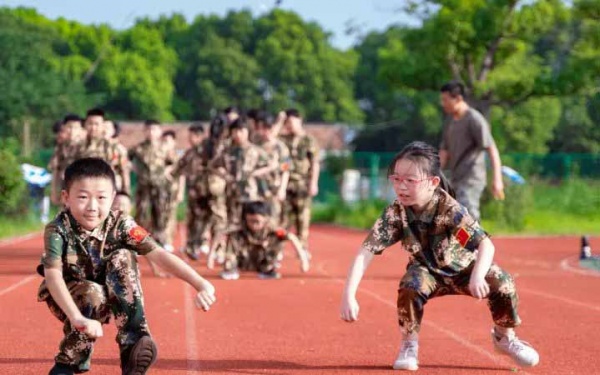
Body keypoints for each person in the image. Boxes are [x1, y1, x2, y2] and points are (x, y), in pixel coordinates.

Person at [340, 142, 539, 371]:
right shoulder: (395, 214)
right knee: (411, 284)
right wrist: (349, 295)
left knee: (502, 282)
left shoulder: (449, 209)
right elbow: (365, 252)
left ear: (433, 182)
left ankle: (505, 338)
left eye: (410, 180)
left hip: (463, 270)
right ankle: (409, 345)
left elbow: (486, 245)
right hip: (427, 272)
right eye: (396, 179)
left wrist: (477, 276)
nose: (401, 187)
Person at [37, 158, 216, 375]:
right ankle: (68, 361)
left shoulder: (121, 224)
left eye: (101, 198)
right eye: (83, 197)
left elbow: (158, 254)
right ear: (66, 197)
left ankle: (133, 345)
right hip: (69, 292)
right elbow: (54, 276)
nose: (93, 207)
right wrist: (77, 318)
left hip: (112, 289)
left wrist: (201, 283)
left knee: (123, 256)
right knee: (93, 295)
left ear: (113, 198)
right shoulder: (58, 229)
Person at [439, 81, 504, 221]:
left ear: (458, 98)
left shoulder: (474, 119)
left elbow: (492, 149)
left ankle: (480, 242)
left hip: (472, 177)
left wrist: (497, 179)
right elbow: (444, 152)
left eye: (445, 99)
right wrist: (435, 174)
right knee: (453, 216)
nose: (443, 103)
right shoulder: (450, 122)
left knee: (467, 212)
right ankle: (468, 242)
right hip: (456, 178)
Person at [214, 201, 310, 280]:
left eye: (257, 222)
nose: (253, 225)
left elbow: (291, 237)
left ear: (265, 219)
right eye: (250, 221)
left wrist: (303, 260)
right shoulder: (239, 227)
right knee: (233, 235)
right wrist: (211, 257)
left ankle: (268, 268)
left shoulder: (273, 229)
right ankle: (230, 268)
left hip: (262, 259)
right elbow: (220, 234)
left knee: (276, 238)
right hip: (243, 259)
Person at [212, 118, 273, 227]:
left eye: (241, 131)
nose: (238, 134)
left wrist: (255, 173)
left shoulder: (255, 151)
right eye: (235, 131)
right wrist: (224, 175)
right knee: (233, 225)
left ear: (247, 132)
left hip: (251, 195)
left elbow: (271, 165)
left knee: (251, 224)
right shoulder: (227, 151)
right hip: (232, 194)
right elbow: (213, 166)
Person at [128, 120, 176, 247]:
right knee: (141, 213)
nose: (151, 132)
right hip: (143, 186)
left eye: (154, 129)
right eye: (148, 129)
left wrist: (167, 170)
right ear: (144, 131)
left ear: (159, 131)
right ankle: (138, 242)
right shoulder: (138, 148)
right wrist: (134, 168)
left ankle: (161, 240)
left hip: (160, 186)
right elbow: (126, 159)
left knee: (160, 213)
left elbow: (174, 162)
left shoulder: (165, 147)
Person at [280, 109, 320, 251]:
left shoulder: (309, 140)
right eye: (287, 123)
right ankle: (277, 251)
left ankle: (303, 250)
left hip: (302, 185)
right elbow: (270, 136)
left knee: (302, 221)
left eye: (291, 122)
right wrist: (279, 121)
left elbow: (315, 163)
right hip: (285, 185)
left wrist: (313, 183)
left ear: (299, 120)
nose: (289, 125)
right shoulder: (283, 139)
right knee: (282, 221)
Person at [171, 123, 210, 260]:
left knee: (205, 220)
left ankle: (203, 244)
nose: (189, 139)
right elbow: (179, 169)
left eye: (192, 136)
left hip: (207, 192)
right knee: (193, 220)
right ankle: (193, 246)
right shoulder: (189, 153)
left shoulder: (207, 152)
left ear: (199, 136)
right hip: (193, 193)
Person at [112, 191, 168, 278]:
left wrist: (156, 270)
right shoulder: (100, 223)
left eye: (124, 205)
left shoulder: (133, 229)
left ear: (130, 208)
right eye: (116, 204)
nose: (120, 207)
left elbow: (148, 250)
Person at [76, 108, 130, 194]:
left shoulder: (114, 147)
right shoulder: (77, 147)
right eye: (90, 123)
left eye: (96, 124)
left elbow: (124, 171)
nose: (93, 127)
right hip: (84, 190)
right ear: (85, 125)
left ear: (103, 126)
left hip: (108, 190)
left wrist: (126, 192)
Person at [255, 112, 291, 226]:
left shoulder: (281, 148)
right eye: (261, 129)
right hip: (257, 191)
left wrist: (282, 189)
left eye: (267, 128)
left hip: (274, 191)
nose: (265, 132)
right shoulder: (256, 146)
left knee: (273, 223)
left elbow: (286, 170)